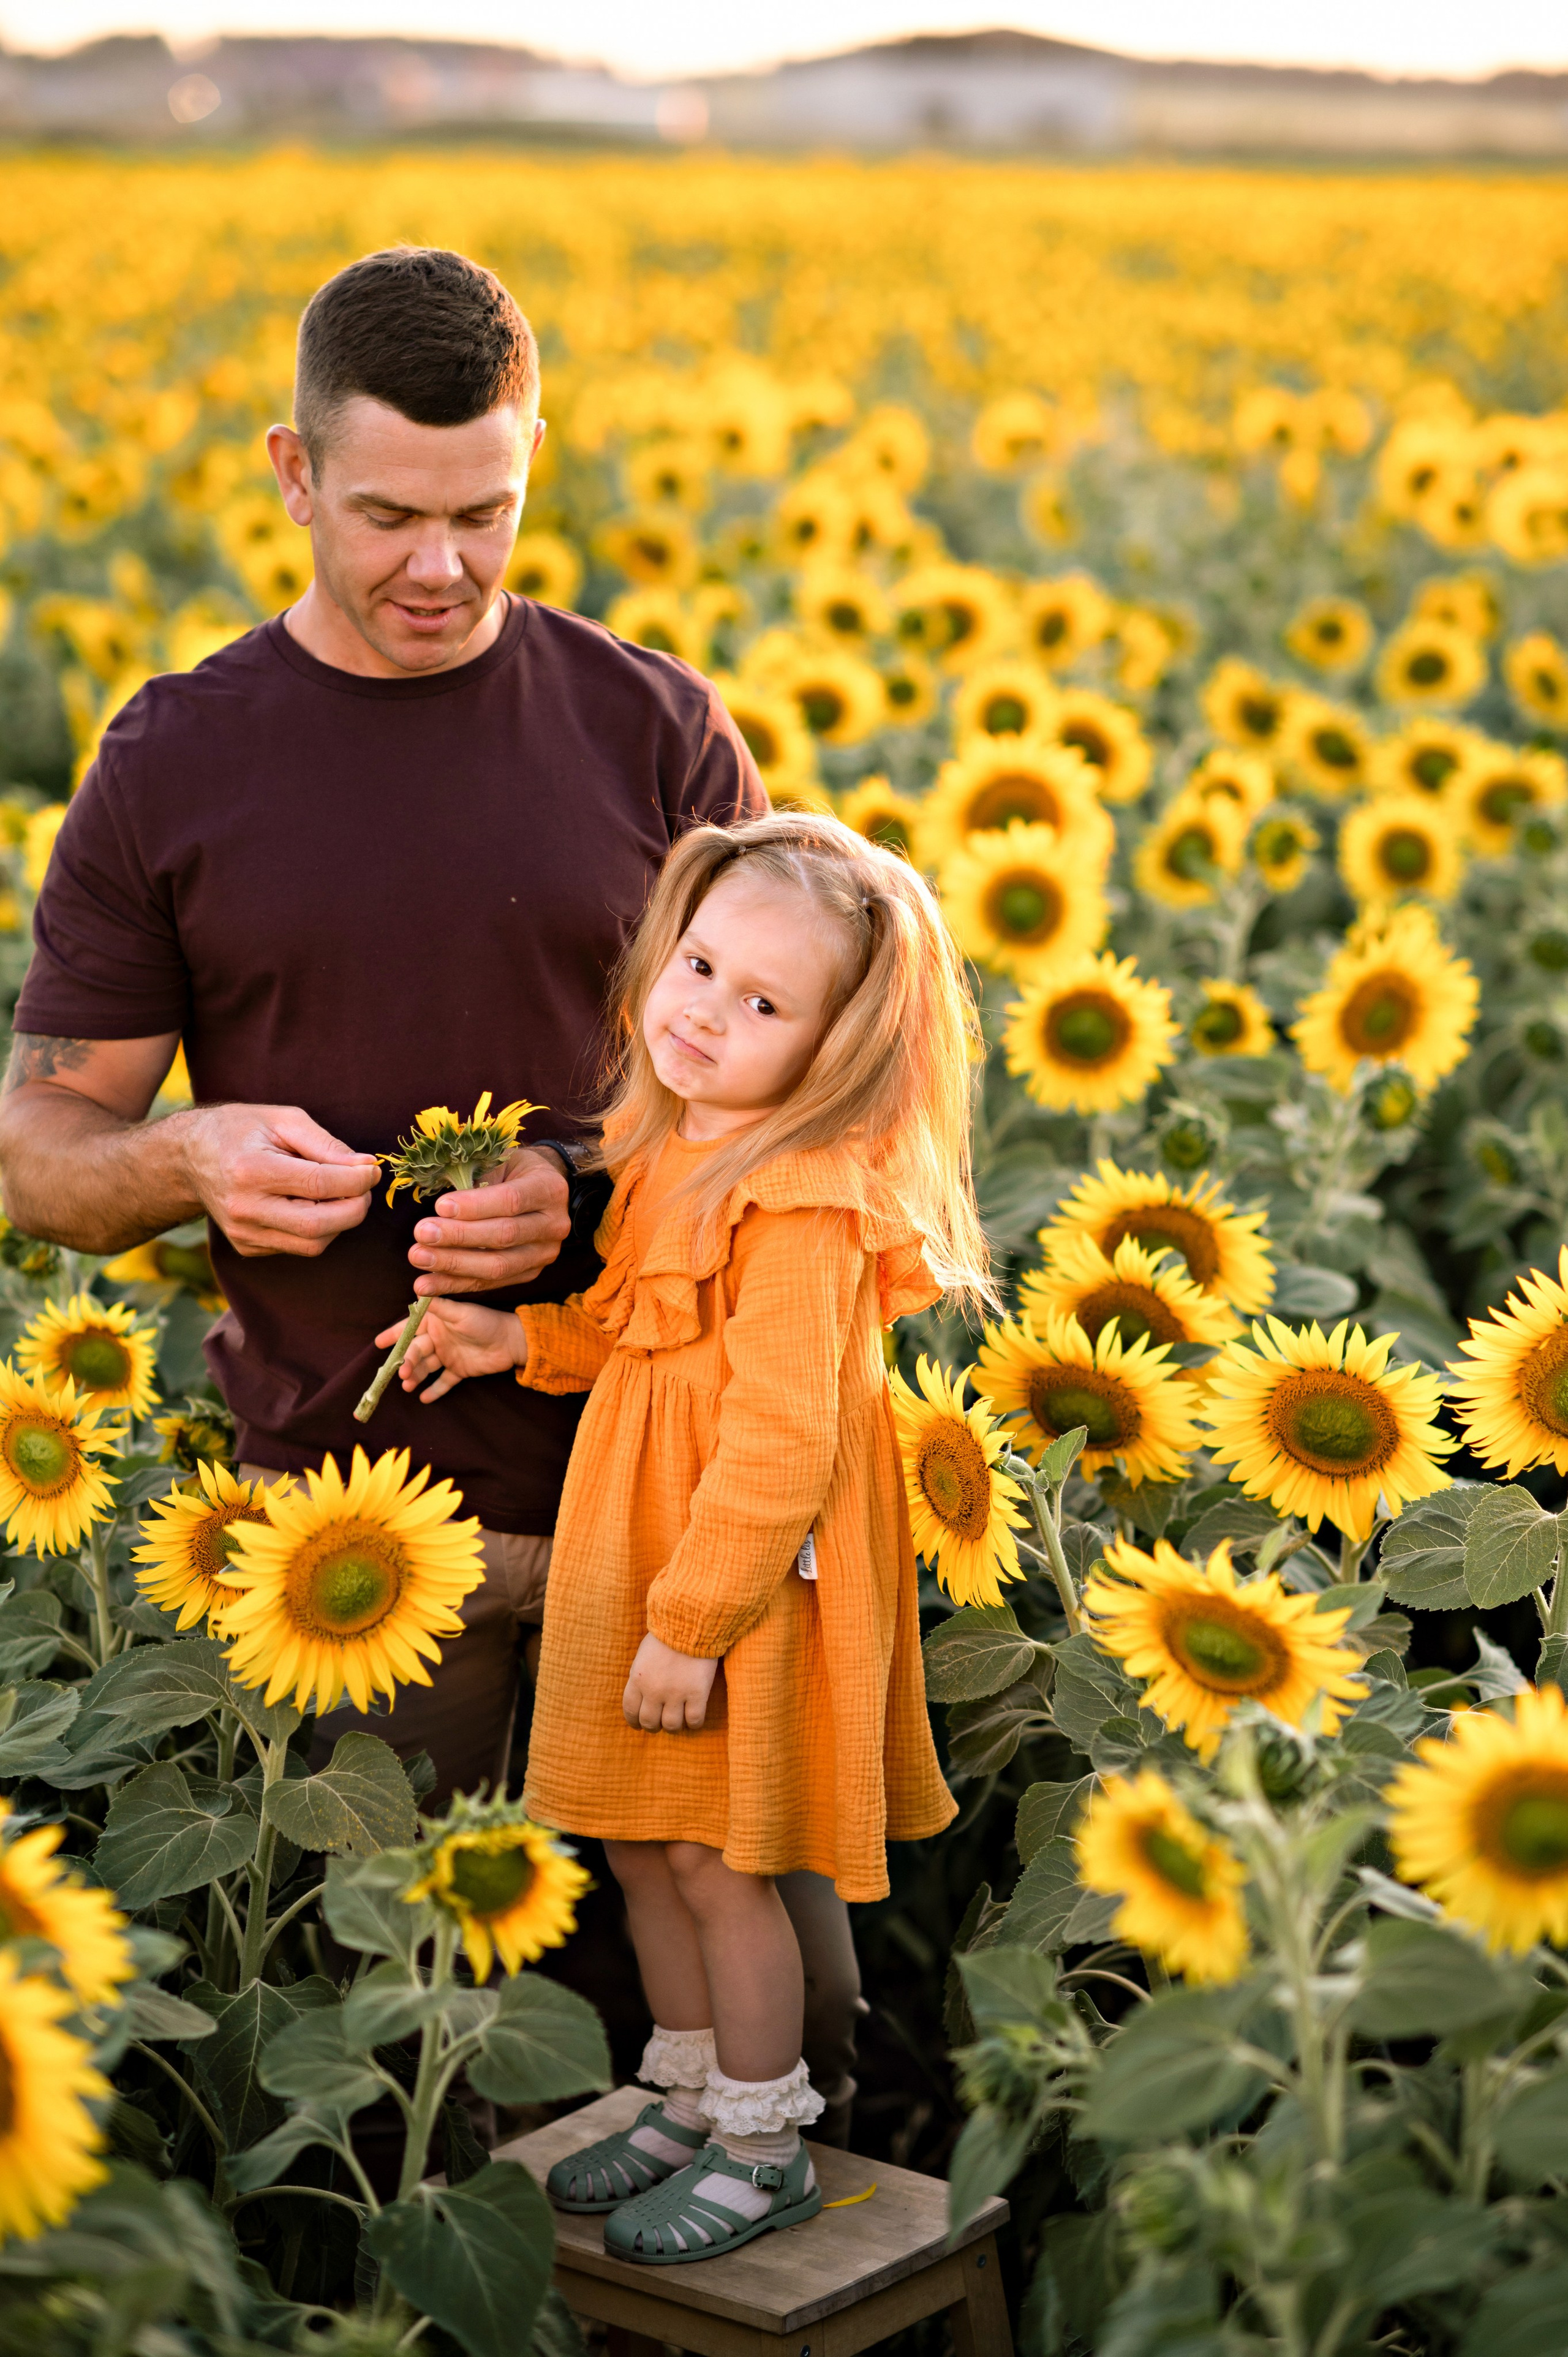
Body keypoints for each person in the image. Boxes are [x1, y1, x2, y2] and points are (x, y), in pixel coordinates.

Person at [0, 251, 873, 2141]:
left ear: (533, 464)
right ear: (292, 475)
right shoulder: (175, 759)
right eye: (389, 513)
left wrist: (579, 1194)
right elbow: (43, 1151)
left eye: (487, 513)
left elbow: (799, 1095)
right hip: (370, 1543)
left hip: (679, 1509)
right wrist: (186, 1160)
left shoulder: (651, 728)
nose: (440, 567)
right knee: (424, 2070)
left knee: (778, 2030)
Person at [390, 810, 988, 2263]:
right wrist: (509, 1336)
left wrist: (690, 1621)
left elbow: (780, 1442)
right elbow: (636, 1336)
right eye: (700, 965)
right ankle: (684, 2089)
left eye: (763, 1002)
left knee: (721, 1863)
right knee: (643, 1843)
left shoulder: (797, 1206)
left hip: (727, 1579)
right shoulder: (680, 1148)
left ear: (834, 1051)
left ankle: (764, 2138)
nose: (707, 1013)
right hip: (642, 1548)